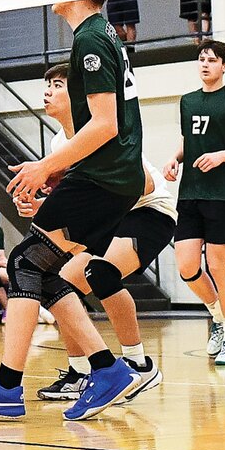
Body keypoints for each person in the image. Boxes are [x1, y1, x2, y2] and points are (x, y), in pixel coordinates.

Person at [0, 0, 145, 421]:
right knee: (43, 273)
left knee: (24, 263)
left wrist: (43, 167)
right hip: (106, 177)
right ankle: (106, 370)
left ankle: (9, 386)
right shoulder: (100, 37)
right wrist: (54, 169)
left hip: (106, 176)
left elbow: (105, 125)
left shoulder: (93, 41)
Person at [31, 62, 173, 403]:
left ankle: (139, 364)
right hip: (108, 216)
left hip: (148, 210)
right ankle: (79, 372)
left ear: (79, 93)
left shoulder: (100, 130)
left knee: (101, 272)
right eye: (47, 84)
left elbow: (147, 183)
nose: (48, 91)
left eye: (58, 84)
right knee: (61, 284)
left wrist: (95, 203)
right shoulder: (58, 143)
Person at [165, 39, 225, 366]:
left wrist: (222, 156)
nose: (205, 64)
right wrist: (175, 158)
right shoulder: (188, 101)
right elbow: (189, 140)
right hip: (191, 192)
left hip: (223, 194)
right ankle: (218, 317)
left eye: (212, 59)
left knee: (218, 265)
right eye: (201, 59)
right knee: (187, 266)